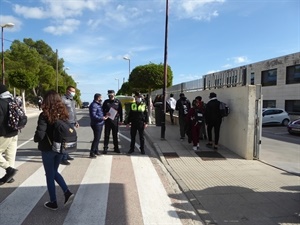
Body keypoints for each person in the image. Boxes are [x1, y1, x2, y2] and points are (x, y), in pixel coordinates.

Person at [34, 90, 74, 210]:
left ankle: (53, 202)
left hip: (48, 149)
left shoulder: (44, 115)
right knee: (54, 172)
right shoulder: (63, 113)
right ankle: (67, 192)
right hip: (60, 148)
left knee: (49, 174)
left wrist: (36, 138)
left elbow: (40, 134)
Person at [0, 84, 18, 185]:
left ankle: (9, 169)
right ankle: (9, 177)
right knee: (10, 154)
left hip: (3, 133)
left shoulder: (1, 103)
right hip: (14, 132)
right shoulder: (13, 101)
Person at [61, 86, 79, 165]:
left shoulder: (73, 100)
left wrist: (76, 121)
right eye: (72, 91)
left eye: (74, 91)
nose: (73, 93)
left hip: (72, 122)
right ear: (67, 91)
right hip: (65, 122)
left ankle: (67, 154)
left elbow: (74, 112)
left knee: (70, 140)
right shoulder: (63, 99)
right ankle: (63, 158)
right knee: (65, 139)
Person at [102, 90, 123, 154]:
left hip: (115, 120)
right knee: (107, 135)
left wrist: (121, 120)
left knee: (115, 135)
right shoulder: (106, 102)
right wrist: (105, 113)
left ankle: (116, 148)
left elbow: (120, 112)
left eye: (111, 94)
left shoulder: (118, 102)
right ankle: (105, 148)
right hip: (108, 120)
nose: (110, 95)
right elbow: (102, 110)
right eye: (109, 94)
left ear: (114, 94)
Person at [89, 93, 107, 158]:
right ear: (98, 98)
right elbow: (93, 116)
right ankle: (92, 152)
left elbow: (99, 113)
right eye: (100, 98)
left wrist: (104, 115)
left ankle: (96, 150)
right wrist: (102, 118)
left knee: (98, 138)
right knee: (96, 138)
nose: (101, 99)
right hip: (96, 124)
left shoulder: (98, 105)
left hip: (99, 123)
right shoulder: (94, 105)